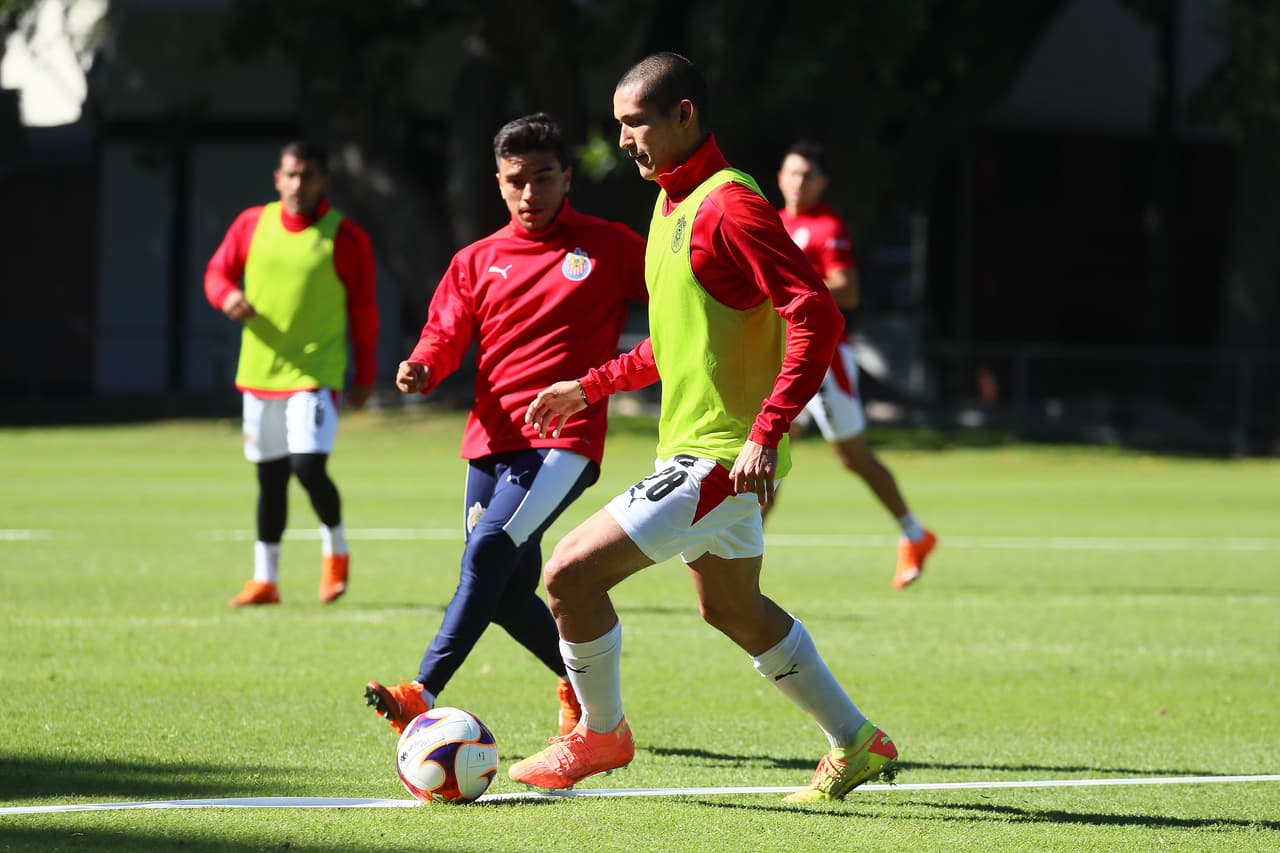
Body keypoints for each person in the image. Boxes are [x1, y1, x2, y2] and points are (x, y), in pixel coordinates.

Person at [513, 53, 897, 802]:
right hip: (706, 454)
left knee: (565, 573)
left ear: (684, 115)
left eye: (636, 122)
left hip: (721, 459)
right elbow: (675, 344)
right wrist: (589, 387)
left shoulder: (728, 204)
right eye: (618, 124)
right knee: (730, 607)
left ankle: (599, 733)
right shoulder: (668, 204)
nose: (624, 139)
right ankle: (857, 741)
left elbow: (815, 312)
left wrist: (766, 429)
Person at [363, 113, 647, 737]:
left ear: (567, 177)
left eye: (544, 178)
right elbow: (445, 332)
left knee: (488, 548)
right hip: (490, 443)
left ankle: (422, 689)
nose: (530, 193)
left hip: (562, 440)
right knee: (507, 592)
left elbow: (684, 302)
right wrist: (421, 366)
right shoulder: (476, 259)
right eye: (517, 180)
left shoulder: (609, 245)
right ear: (498, 182)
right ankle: (580, 685)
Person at [204, 140, 379, 608]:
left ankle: (336, 552)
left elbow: (364, 309)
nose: (298, 184)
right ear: (277, 179)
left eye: (308, 175)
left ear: (323, 180)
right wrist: (226, 297)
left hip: (316, 374)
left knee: (308, 465)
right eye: (290, 175)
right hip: (260, 373)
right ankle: (266, 580)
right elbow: (216, 273)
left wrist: (365, 372)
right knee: (270, 477)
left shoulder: (344, 237)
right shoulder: (250, 224)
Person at [773, 140, 938, 589]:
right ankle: (742, 556)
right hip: (785, 357)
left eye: (807, 175)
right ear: (779, 178)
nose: (798, 182)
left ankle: (915, 535)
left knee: (853, 456)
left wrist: (793, 287)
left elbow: (848, 290)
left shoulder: (827, 227)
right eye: (791, 173)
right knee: (769, 450)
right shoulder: (774, 223)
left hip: (823, 360)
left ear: (822, 182)